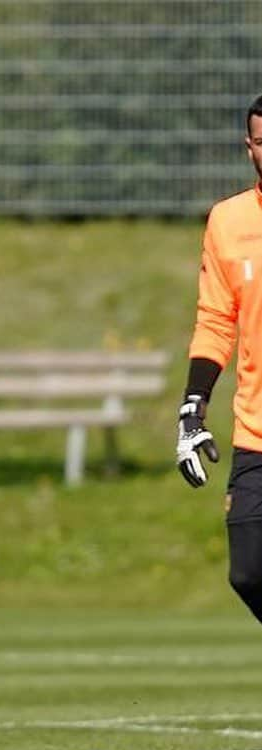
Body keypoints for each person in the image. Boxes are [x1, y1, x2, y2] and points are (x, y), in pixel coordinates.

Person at [178, 93, 262, 625]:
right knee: (249, 572)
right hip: (256, 433)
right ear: (248, 146)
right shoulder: (229, 222)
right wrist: (193, 409)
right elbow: (215, 321)